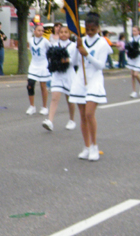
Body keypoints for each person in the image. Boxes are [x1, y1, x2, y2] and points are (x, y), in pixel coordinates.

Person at [69, 12, 111, 161]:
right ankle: (86, 147)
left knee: (89, 114)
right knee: (82, 116)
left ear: (98, 28)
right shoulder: (81, 41)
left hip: (95, 79)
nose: (90, 32)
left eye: (93, 30)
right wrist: (77, 48)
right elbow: (74, 62)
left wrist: (86, 54)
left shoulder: (103, 44)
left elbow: (100, 65)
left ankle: (94, 146)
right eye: (87, 30)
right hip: (81, 79)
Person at [42, 25, 77, 131]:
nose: (63, 34)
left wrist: (66, 60)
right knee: (54, 98)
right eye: (61, 32)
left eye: (66, 32)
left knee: (69, 99)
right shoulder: (54, 45)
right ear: (58, 33)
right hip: (57, 75)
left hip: (69, 75)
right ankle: (50, 121)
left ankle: (71, 120)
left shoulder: (73, 46)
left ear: (69, 34)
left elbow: (75, 61)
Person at [26, 23, 51, 116]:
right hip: (33, 65)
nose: (40, 32)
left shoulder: (45, 41)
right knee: (30, 85)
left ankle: (44, 107)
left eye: (42, 31)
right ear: (34, 31)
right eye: (39, 30)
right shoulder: (31, 40)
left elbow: (50, 50)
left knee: (43, 86)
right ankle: (32, 106)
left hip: (43, 65)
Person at [126, 26, 140, 98]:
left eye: (135, 31)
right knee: (132, 75)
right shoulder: (131, 39)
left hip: (139, 58)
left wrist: (138, 49)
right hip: (132, 58)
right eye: (133, 31)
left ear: (139, 31)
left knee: (135, 74)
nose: (133, 32)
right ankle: (134, 91)